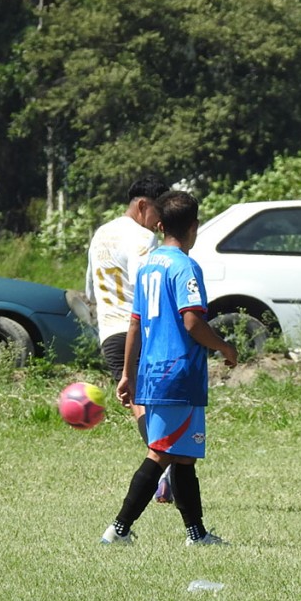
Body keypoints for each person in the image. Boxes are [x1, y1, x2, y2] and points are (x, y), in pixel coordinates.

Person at [100, 190, 239, 546]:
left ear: (160, 225)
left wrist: (128, 373)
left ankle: (197, 534)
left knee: (185, 456)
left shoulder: (149, 266)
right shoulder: (184, 266)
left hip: (153, 371)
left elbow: (134, 323)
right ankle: (118, 530)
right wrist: (225, 346)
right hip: (177, 373)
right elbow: (192, 322)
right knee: (161, 452)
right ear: (194, 226)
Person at [85, 174, 176, 502]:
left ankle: (165, 470)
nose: (160, 223)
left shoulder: (101, 233)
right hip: (138, 331)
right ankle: (165, 470)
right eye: (158, 212)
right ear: (142, 205)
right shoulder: (142, 237)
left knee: (140, 405)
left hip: (109, 332)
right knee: (159, 406)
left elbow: (89, 289)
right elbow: (147, 284)